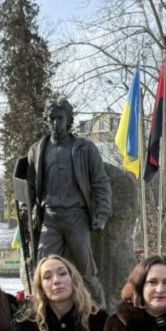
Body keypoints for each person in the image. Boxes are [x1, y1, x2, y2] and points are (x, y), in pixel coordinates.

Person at [24, 98, 112, 303]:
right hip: (50, 220)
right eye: (51, 118)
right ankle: (41, 314)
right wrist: (26, 211)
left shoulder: (85, 149)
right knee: (42, 270)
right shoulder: (37, 150)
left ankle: (99, 312)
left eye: (60, 118)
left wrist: (102, 214)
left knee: (86, 272)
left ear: (69, 120)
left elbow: (101, 183)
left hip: (76, 218)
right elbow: (29, 188)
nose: (55, 123)